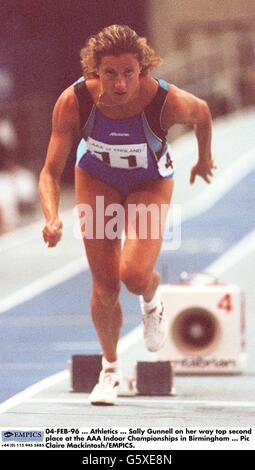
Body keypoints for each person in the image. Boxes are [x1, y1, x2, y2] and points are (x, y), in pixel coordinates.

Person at [38, 24, 215, 405]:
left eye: (128, 73)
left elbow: (202, 114)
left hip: (148, 182)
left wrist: (204, 158)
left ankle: (153, 301)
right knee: (104, 289)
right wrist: (51, 216)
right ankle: (110, 370)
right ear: (94, 71)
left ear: (143, 70)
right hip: (97, 178)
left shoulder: (166, 101)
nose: (119, 84)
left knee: (133, 275)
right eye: (110, 74)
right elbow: (50, 172)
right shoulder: (73, 102)